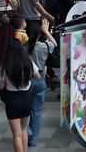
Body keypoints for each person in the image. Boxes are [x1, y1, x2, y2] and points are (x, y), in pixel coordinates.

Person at [0, 38, 41, 152]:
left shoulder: (4, 67)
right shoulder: (28, 63)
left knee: (16, 134)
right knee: (23, 130)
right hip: (26, 99)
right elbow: (38, 77)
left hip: (12, 100)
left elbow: (1, 87)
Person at [26, 18, 57, 147]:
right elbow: (54, 43)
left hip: (25, 81)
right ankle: (33, 140)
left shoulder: (22, 46)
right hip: (40, 80)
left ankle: (26, 132)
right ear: (40, 34)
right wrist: (46, 30)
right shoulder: (45, 46)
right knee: (36, 111)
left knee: (23, 111)